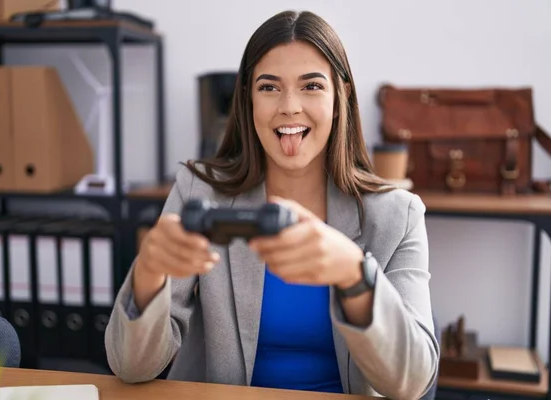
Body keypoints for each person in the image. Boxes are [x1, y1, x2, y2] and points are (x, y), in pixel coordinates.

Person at [105, 9, 439, 400]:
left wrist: (354, 274)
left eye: (311, 86)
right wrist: (148, 273)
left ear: (340, 96)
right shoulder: (199, 191)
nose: (290, 106)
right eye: (269, 87)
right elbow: (130, 367)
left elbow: (412, 383)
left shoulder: (398, 215)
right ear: (247, 98)